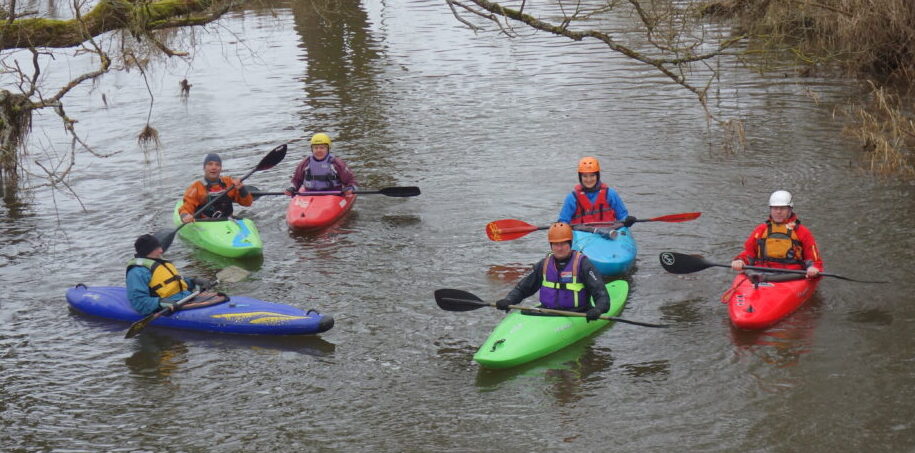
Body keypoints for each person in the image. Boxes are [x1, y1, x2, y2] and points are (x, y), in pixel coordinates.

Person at [495, 223, 611, 321]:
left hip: (577, 313)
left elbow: (600, 293)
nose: (559, 248)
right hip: (547, 311)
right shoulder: (544, 264)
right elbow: (524, 288)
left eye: (563, 244)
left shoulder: (583, 264)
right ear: (551, 246)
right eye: (556, 244)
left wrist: (598, 309)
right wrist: (509, 300)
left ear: (570, 244)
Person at [730, 190, 823, 281]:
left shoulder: (802, 232)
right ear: (770, 209)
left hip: (792, 276)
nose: (778, 212)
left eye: (782, 208)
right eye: (775, 208)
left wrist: (813, 268)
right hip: (760, 273)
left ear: (790, 209)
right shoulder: (761, 230)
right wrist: (740, 260)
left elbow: (814, 260)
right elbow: (749, 253)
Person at [126, 234, 221, 315]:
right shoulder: (137, 272)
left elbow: (172, 282)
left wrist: (193, 281)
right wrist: (160, 303)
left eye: (160, 247)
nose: (161, 251)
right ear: (147, 251)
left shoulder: (160, 262)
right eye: (156, 249)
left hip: (185, 298)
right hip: (170, 305)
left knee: (222, 297)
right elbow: (138, 301)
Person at [557, 156, 635, 228]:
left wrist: (627, 220)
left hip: (609, 234)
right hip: (582, 237)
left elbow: (622, 216)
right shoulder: (572, 198)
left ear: (597, 176)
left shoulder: (610, 194)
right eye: (585, 176)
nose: (589, 180)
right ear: (580, 177)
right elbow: (563, 222)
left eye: (592, 175)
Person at [178, 153, 254, 223]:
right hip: (206, 223)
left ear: (220, 168)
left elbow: (248, 203)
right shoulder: (196, 187)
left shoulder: (229, 183)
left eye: (217, 165)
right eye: (210, 164)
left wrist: (242, 189)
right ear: (204, 168)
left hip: (228, 221)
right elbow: (186, 208)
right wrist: (185, 216)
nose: (214, 167)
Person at [285, 133, 358, 196]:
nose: (318, 150)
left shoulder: (336, 162)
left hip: (333, 194)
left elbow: (351, 180)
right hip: (309, 194)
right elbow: (296, 180)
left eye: (322, 148)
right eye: (315, 148)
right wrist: (292, 188)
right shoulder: (305, 162)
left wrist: (351, 187)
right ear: (312, 149)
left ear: (328, 149)